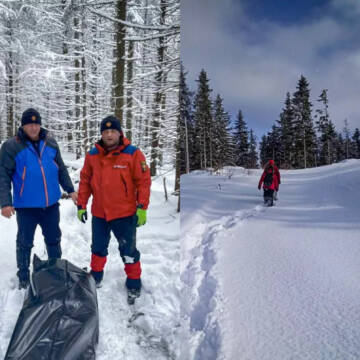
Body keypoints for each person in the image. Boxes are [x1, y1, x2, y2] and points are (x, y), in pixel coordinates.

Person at [0, 108, 77, 289]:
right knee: (25, 242)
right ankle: (24, 276)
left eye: (36, 124)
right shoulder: (12, 146)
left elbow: (61, 169)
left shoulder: (50, 142)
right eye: (29, 124)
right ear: (23, 126)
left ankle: (56, 270)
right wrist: (5, 202)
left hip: (50, 205)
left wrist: (70, 189)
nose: (33, 128)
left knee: (53, 239)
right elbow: (3, 175)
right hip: (26, 207)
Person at [77, 115, 151, 303]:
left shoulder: (133, 153)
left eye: (113, 131)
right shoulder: (92, 155)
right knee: (98, 247)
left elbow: (143, 181)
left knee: (128, 250)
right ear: (101, 133)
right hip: (100, 213)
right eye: (105, 131)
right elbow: (85, 181)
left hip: (124, 214)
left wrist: (142, 206)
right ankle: (96, 275)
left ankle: (134, 282)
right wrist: (81, 205)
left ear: (119, 133)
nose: (109, 135)